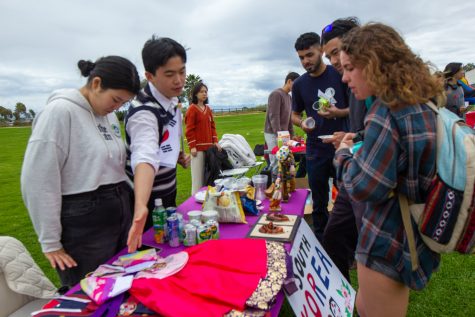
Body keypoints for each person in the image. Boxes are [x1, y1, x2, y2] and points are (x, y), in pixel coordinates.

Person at [335, 23, 443, 316]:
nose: (344, 78)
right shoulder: (420, 102)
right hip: (413, 227)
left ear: (371, 63)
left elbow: (361, 187)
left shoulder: (388, 111)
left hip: (388, 236)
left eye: (349, 68)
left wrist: (343, 154)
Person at [21, 56, 141, 287]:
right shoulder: (59, 112)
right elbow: (38, 180)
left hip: (118, 212)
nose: (117, 107)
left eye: (123, 103)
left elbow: (116, 164)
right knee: (89, 292)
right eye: (115, 99)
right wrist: (50, 242)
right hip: (84, 224)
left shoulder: (108, 116)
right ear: (96, 83)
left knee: (121, 286)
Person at [125, 36, 191, 253]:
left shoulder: (171, 100)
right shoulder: (144, 111)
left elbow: (164, 140)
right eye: (170, 74)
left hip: (167, 193)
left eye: (182, 71)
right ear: (149, 76)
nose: (179, 80)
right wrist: (141, 206)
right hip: (148, 202)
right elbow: (144, 155)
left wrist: (175, 156)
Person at [319, 17, 367, 282]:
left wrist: (349, 144)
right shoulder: (352, 79)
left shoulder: (373, 81)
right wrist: (351, 135)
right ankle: (341, 300)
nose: (335, 62)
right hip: (355, 173)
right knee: (334, 236)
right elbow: (367, 127)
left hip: (370, 178)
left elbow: (383, 132)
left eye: (337, 52)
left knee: (367, 250)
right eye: (330, 56)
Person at [291, 32, 349, 241]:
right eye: (301, 57)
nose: (306, 61)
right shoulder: (299, 85)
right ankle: (322, 244)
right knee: (319, 201)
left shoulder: (339, 74)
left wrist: (338, 113)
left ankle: (347, 247)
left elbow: (354, 108)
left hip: (342, 146)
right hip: (315, 149)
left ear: (320, 51)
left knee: (348, 199)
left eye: (310, 55)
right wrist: (302, 123)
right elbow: (295, 114)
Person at [185, 82, 221, 195]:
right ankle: (194, 206)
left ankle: (207, 203)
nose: (204, 93)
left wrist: (216, 141)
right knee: (198, 180)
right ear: (195, 94)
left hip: (210, 149)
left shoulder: (208, 109)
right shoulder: (192, 109)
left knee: (210, 178)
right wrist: (192, 146)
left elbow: (212, 127)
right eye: (201, 91)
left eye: (206, 91)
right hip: (198, 150)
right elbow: (189, 130)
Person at [264, 72, 300, 174]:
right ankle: (276, 187)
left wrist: (291, 135)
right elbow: (273, 117)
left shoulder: (289, 97)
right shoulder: (276, 94)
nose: (297, 88)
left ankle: (285, 186)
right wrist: (279, 135)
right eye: (296, 84)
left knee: (286, 160)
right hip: (273, 133)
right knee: (276, 161)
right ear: (289, 81)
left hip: (283, 135)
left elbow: (289, 119)